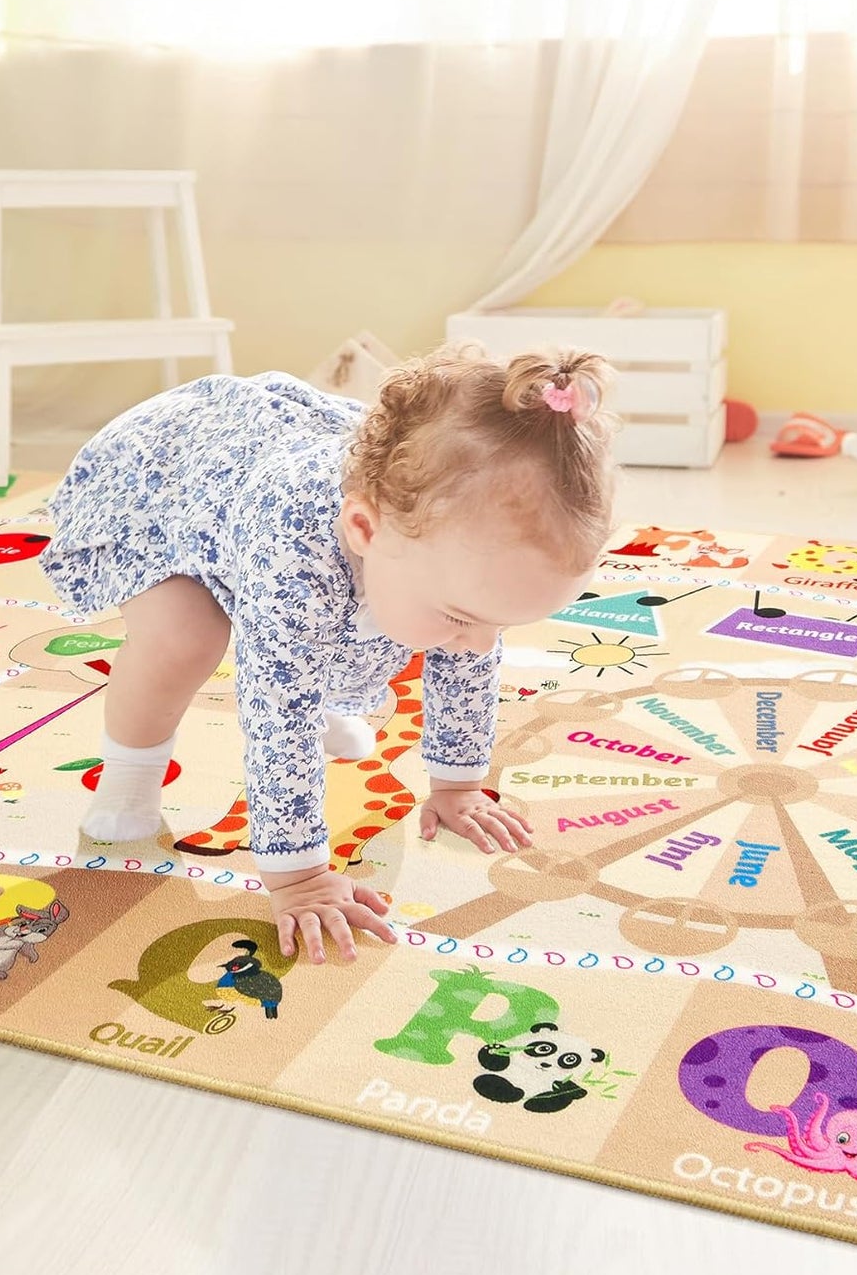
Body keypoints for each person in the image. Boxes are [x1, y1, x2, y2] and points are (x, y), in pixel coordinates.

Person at [39, 345, 616, 963]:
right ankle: (128, 779)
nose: (478, 643)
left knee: (408, 619)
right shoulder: (296, 555)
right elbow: (276, 709)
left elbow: (467, 656)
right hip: (167, 480)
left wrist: (458, 785)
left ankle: (347, 686)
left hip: (307, 501)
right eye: (466, 618)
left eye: (499, 625)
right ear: (366, 530)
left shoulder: (449, 561)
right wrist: (299, 877)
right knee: (185, 636)